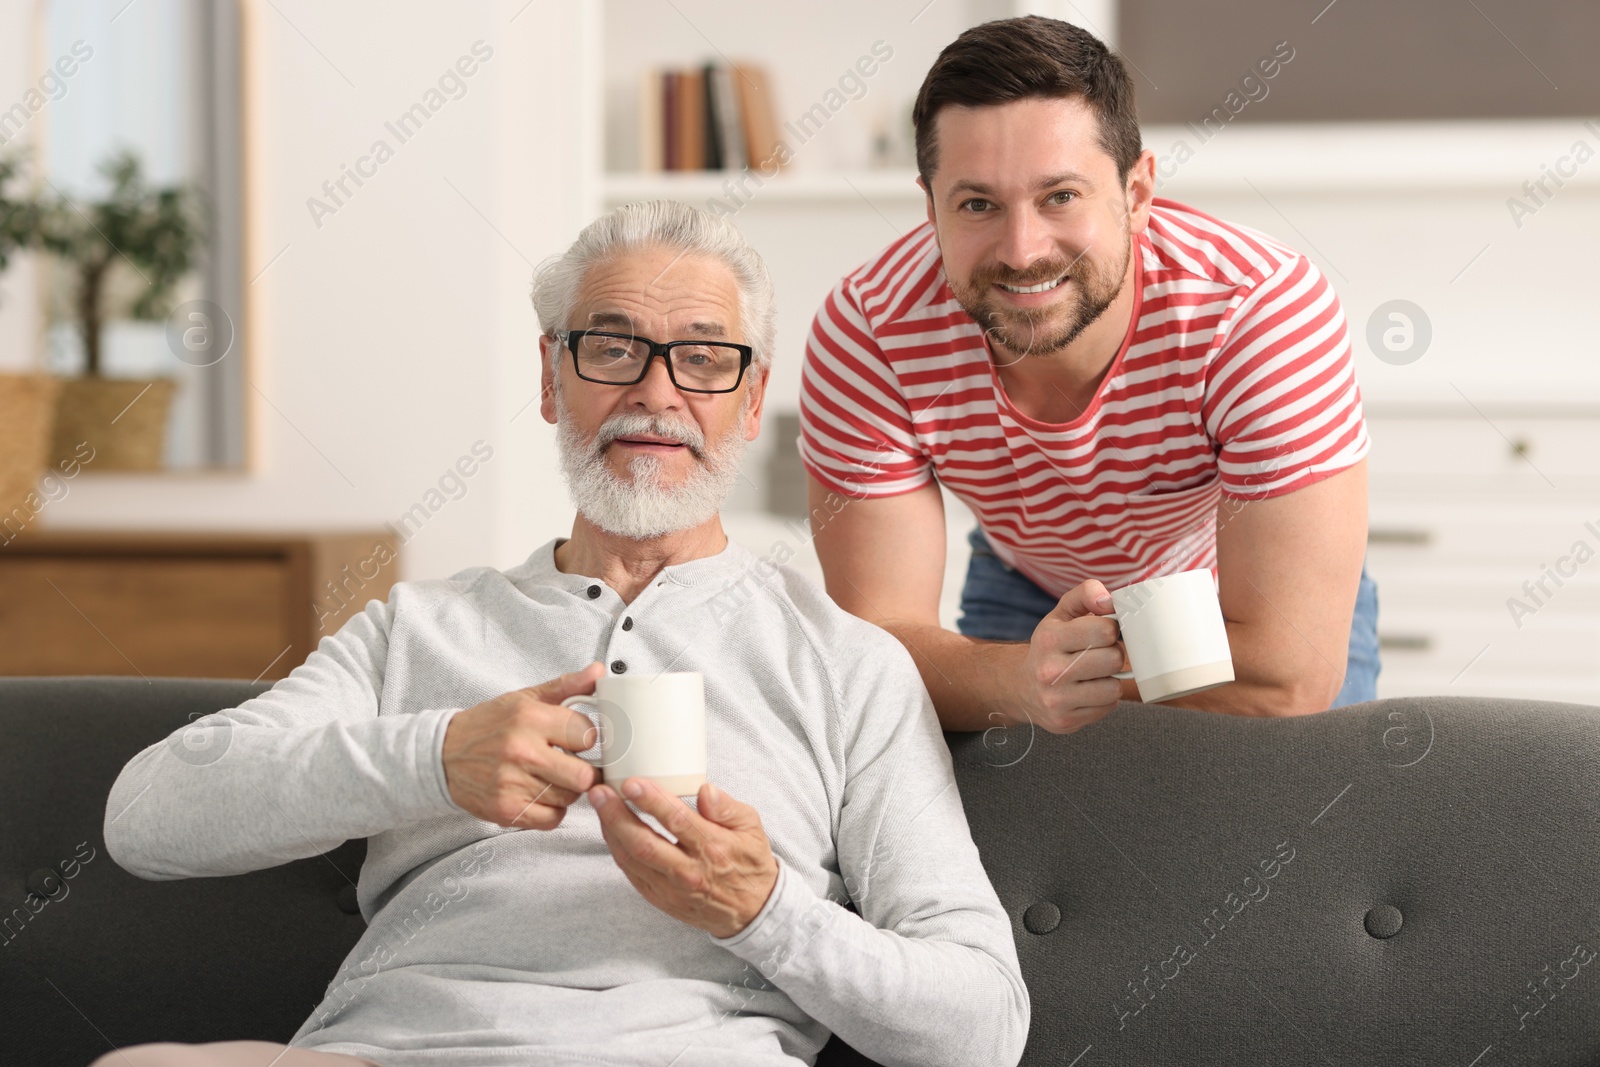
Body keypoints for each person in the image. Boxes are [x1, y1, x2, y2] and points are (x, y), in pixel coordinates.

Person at [97, 201, 1027, 1067]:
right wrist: (435, 756)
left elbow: (982, 1024)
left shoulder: (848, 663)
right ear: (551, 377)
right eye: (613, 348)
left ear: (751, 402)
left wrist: (765, 911)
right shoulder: (419, 626)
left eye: (703, 357)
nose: (657, 393)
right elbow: (147, 817)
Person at [800, 15, 1378, 736]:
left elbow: (1287, 672)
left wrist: (1051, 678)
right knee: (1000, 839)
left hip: (1236, 602)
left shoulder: (1258, 310)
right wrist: (1018, 676)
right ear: (930, 206)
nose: (1021, 250)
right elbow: (875, 651)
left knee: (1264, 826)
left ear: (1137, 192)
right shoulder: (868, 333)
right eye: (977, 204)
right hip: (1034, 589)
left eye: (1060, 197)